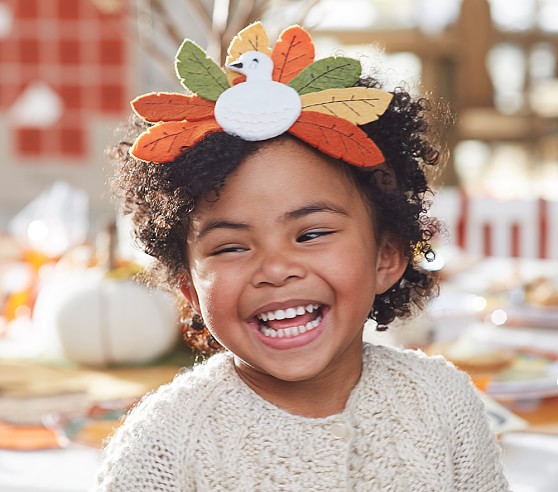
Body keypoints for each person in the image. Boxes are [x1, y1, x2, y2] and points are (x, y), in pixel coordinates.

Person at [96, 22, 509, 491]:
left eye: (311, 234)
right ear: (189, 287)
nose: (275, 269)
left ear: (387, 256)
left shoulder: (445, 402)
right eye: (231, 246)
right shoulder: (162, 447)